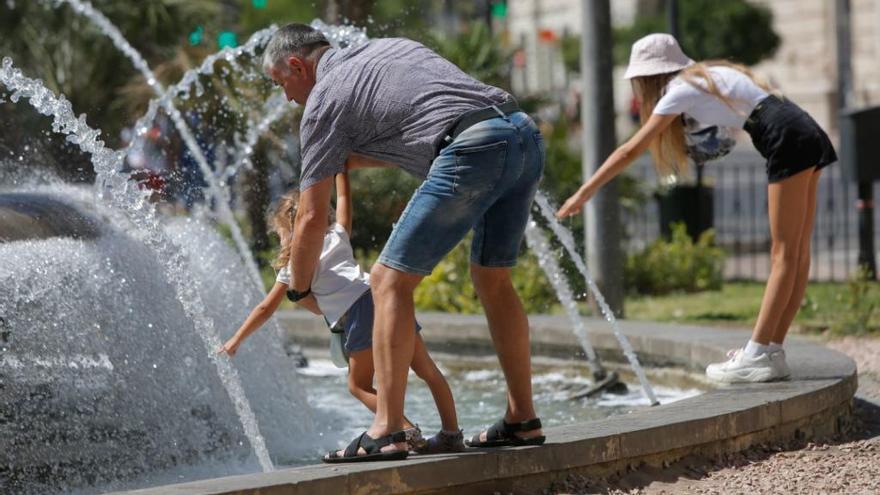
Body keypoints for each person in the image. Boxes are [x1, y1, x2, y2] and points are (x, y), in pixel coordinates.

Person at [261, 23, 546, 462]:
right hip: (520, 133)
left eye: (283, 83)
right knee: (492, 279)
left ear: (297, 65)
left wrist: (298, 286)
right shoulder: (385, 50)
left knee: (388, 282)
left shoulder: (322, 102)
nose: (287, 98)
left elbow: (313, 216)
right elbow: (426, 121)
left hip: (472, 148)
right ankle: (522, 419)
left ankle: (387, 429)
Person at [557, 34, 837, 384]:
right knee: (796, 254)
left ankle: (757, 353)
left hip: (785, 136)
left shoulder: (679, 90)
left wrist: (584, 193)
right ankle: (770, 351)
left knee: (784, 255)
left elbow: (630, 150)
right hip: (803, 127)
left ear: (647, 78)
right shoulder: (704, 76)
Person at [218, 172, 465, 458]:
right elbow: (346, 200)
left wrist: (235, 339)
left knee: (357, 384)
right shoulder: (337, 234)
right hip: (385, 297)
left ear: (288, 229)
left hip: (360, 311)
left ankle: (405, 432)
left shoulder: (295, 266)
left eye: (280, 232)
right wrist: (341, 170)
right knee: (427, 370)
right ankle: (451, 433)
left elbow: (265, 308)